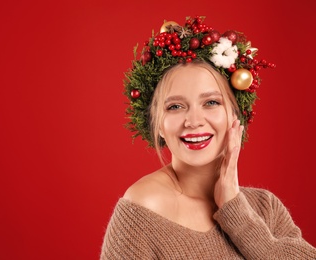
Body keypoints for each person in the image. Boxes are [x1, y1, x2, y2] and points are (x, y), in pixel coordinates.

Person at [100, 16, 316, 259]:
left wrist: (237, 212)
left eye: (211, 102)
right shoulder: (142, 210)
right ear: (158, 124)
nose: (194, 120)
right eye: (175, 107)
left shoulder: (265, 208)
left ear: (235, 115)